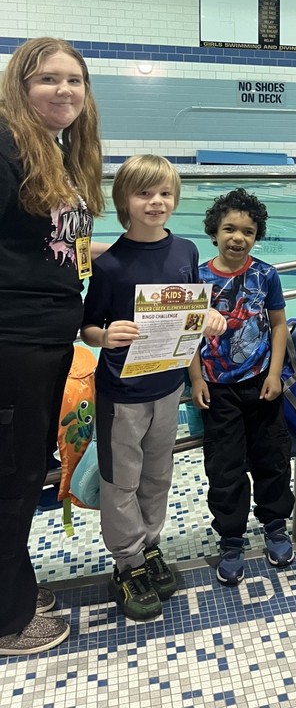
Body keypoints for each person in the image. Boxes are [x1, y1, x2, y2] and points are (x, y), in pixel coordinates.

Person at [81, 155, 225, 621]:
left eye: (164, 193)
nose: (156, 202)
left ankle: (150, 546)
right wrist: (106, 336)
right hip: (121, 392)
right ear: (124, 200)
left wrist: (211, 317)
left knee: (158, 475)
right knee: (121, 481)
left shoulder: (185, 251)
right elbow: (87, 328)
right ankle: (127, 563)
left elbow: (192, 309)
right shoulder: (112, 265)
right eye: (144, 193)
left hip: (168, 386)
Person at [0, 37, 104, 656]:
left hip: (44, 340)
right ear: (20, 85)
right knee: (10, 479)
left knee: (22, 471)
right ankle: (7, 619)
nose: (64, 90)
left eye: (75, 80)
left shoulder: (56, 154)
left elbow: (58, 250)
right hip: (12, 343)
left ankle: (12, 583)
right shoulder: (5, 145)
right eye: (48, 79)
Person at [189, 188, 295, 586]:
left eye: (247, 231)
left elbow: (280, 324)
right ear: (214, 232)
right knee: (225, 467)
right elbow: (188, 334)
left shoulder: (265, 275)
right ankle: (231, 539)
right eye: (229, 229)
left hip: (261, 384)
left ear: (256, 235)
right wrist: (197, 378)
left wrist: (275, 373)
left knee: (272, 458)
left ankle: (275, 526)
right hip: (217, 390)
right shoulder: (196, 279)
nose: (238, 237)